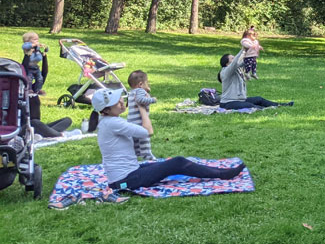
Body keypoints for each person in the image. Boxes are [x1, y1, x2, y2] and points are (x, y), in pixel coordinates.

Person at [89, 88, 247, 191]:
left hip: (128, 174)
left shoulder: (107, 122)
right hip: (124, 182)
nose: (121, 101)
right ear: (107, 109)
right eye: (117, 101)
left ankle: (219, 172)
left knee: (168, 164)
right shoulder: (113, 123)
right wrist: (142, 108)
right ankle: (223, 174)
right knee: (177, 162)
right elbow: (147, 131)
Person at [218, 50, 292, 110]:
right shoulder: (225, 72)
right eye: (232, 58)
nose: (234, 59)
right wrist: (242, 49)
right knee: (249, 105)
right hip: (228, 103)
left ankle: (281, 105)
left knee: (259, 99)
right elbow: (235, 63)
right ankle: (266, 109)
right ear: (227, 64)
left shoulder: (237, 70)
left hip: (240, 100)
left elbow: (243, 63)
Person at [126, 70, 158, 161]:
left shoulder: (131, 92)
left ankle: (134, 157)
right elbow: (140, 100)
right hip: (140, 122)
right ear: (140, 84)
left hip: (132, 122)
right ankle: (148, 157)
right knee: (144, 140)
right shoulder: (140, 91)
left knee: (135, 143)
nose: (148, 85)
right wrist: (152, 100)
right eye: (147, 83)